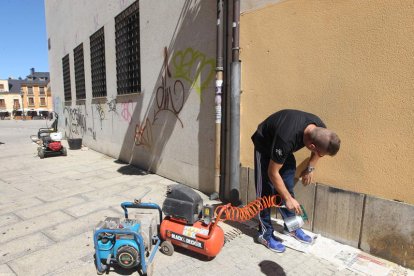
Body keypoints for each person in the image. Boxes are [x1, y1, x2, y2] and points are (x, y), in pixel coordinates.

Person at [252, 109, 341, 253]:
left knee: (287, 185)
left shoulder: (320, 130)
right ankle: (265, 234)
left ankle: (291, 227)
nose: (319, 156)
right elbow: (272, 172)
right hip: (265, 146)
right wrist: (286, 198)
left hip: (282, 149)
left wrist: (310, 168)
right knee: (266, 192)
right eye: (320, 154)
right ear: (312, 146)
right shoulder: (286, 138)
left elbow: (318, 150)